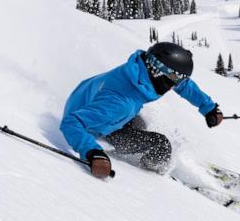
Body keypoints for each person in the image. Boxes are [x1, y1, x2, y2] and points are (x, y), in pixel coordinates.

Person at [60, 42, 225, 179]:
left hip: (91, 103)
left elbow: (184, 85)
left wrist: (208, 107)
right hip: (94, 126)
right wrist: (92, 152)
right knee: (161, 146)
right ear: (159, 74)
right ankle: (152, 174)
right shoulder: (120, 102)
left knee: (140, 124)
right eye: (174, 80)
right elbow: (71, 123)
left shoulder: (141, 70)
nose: (176, 85)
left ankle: (141, 154)